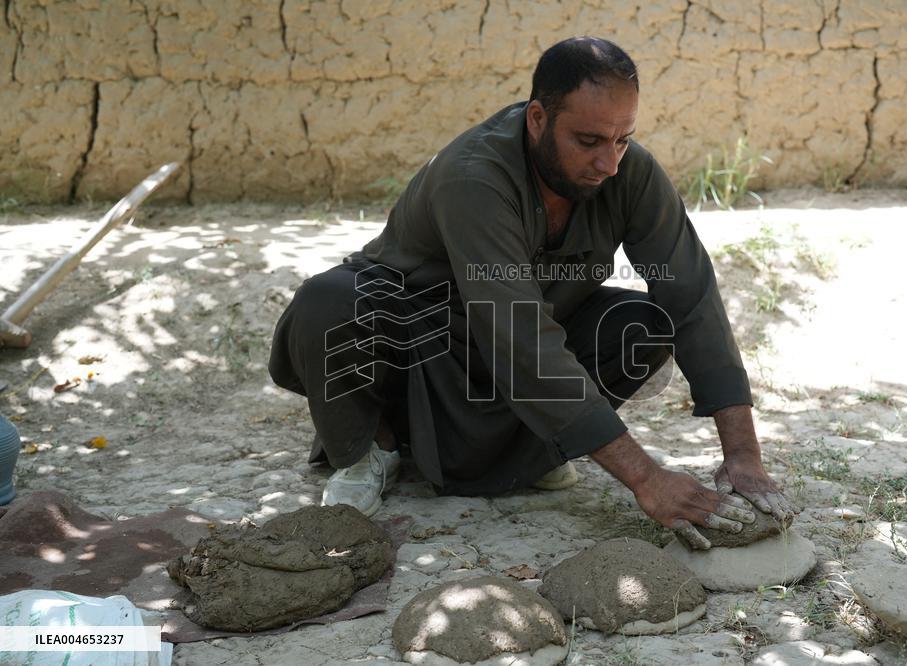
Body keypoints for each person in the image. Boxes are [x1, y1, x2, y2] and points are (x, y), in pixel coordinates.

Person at [268, 36, 794, 549]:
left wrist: (744, 454)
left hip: (517, 362)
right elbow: (520, 338)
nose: (608, 163)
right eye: (588, 141)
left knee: (643, 323)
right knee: (329, 301)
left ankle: (530, 455)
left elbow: (692, 295)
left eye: (623, 139)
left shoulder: (627, 173)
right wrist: (646, 478)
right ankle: (373, 448)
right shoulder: (475, 177)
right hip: (426, 357)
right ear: (537, 119)